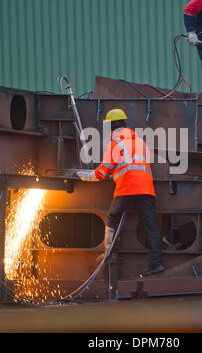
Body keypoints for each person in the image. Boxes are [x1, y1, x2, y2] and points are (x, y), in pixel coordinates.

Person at [77, 108, 165, 277]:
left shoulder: (116, 144)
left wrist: (86, 176)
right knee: (151, 225)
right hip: (146, 187)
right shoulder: (141, 142)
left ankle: (110, 254)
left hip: (127, 186)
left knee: (112, 217)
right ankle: (157, 264)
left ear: (111, 126)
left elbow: (102, 172)